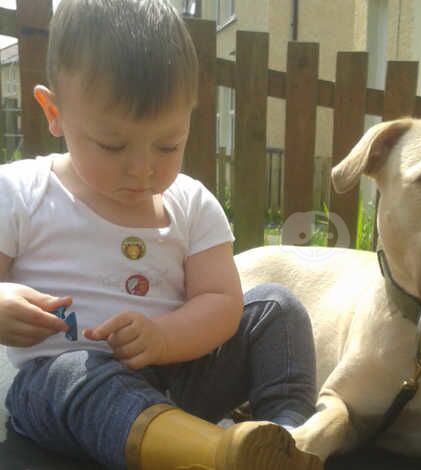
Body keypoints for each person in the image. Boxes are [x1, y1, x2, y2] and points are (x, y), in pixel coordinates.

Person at [0, 1, 320, 469]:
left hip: (181, 377)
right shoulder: (20, 192)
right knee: (74, 373)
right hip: (67, 390)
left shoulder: (191, 203)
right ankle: (214, 454)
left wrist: (166, 337)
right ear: (54, 111)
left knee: (275, 307)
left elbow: (221, 301)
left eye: (168, 145)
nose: (144, 168)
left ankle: (286, 436)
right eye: (113, 145)